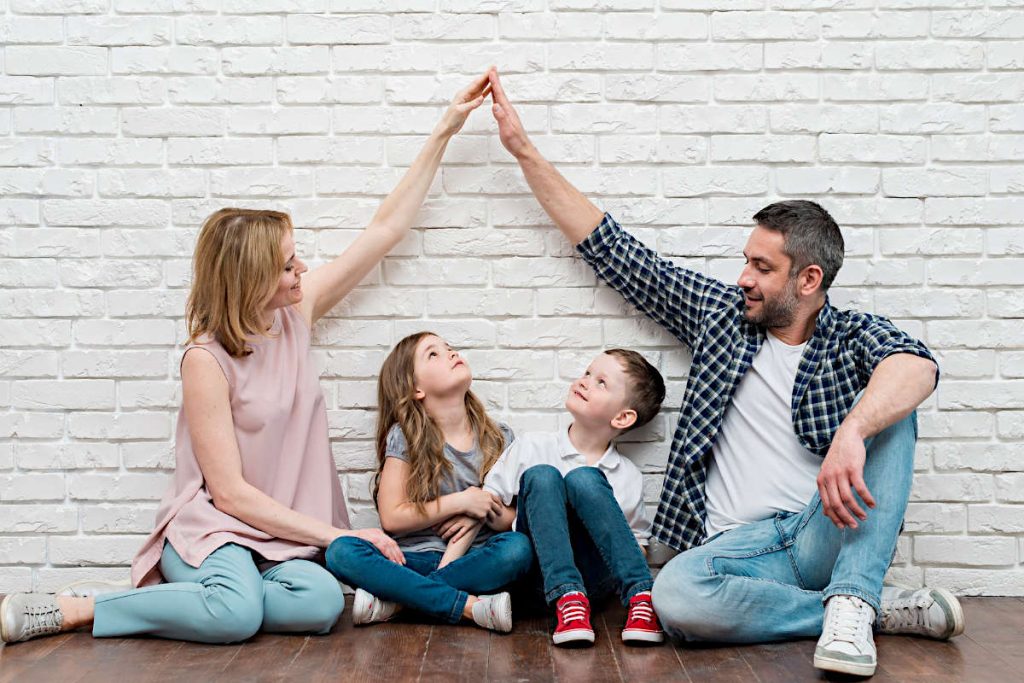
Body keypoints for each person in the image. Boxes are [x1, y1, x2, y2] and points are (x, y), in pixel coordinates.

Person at [485, 67, 964, 677]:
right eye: (745, 261)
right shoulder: (721, 317)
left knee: (896, 410)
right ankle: (859, 608)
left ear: (807, 280)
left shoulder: (849, 336)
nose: (743, 277)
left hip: (821, 531)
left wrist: (853, 431)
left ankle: (852, 594)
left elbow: (917, 366)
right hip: (735, 552)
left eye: (761, 267)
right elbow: (618, 252)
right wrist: (524, 151)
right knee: (675, 597)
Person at [0, 72, 493, 646]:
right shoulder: (205, 361)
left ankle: (220, 600)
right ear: (250, 278)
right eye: (287, 265)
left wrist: (444, 131)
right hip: (219, 530)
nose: (302, 270)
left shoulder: (296, 314)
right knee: (236, 617)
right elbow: (229, 493)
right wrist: (336, 537)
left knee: (316, 605)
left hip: (285, 535)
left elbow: (383, 230)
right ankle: (84, 608)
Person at [325, 332, 534, 633]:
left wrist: (485, 507)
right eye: (433, 354)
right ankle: (468, 607)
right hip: (414, 560)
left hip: (474, 562)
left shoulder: (500, 437)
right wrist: (461, 500)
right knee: (341, 551)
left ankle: (401, 603)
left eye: (448, 348)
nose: (450, 353)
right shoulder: (405, 437)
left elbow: (513, 520)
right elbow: (392, 518)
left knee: (518, 548)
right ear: (415, 389)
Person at [480, 349, 666, 647]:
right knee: (543, 475)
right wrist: (534, 517)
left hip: (595, 580)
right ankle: (567, 597)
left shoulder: (626, 474)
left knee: (584, 479)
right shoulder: (532, 446)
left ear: (622, 417)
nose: (585, 381)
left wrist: (603, 532)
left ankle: (641, 598)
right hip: (538, 578)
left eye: (601, 382)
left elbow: (637, 545)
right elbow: (489, 503)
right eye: (587, 373)